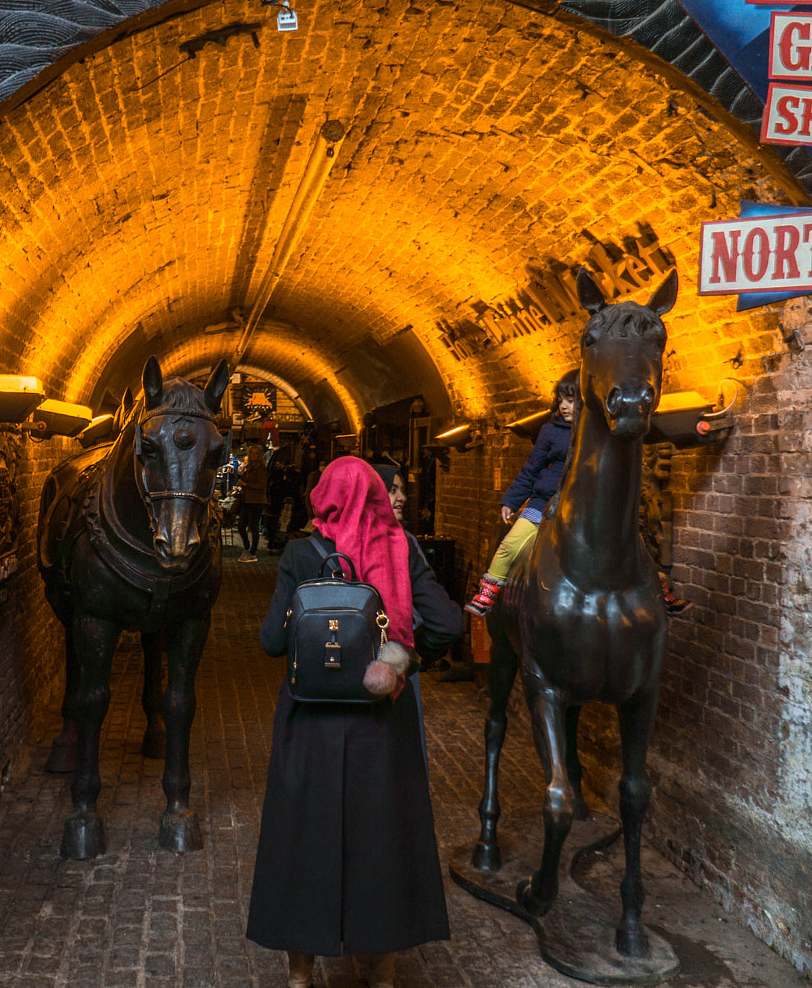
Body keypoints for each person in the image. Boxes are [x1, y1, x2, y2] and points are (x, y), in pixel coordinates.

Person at [247, 457, 463, 988]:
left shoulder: (302, 553)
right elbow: (448, 623)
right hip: (381, 723)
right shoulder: (403, 546)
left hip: (309, 725)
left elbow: (273, 641)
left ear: (325, 498)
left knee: (303, 837)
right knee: (383, 838)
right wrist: (402, 660)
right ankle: (381, 972)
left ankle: (301, 973)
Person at [466, 369, 580, 615]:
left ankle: (655, 589)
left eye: (570, 400)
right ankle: (488, 592)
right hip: (544, 503)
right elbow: (531, 469)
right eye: (561, 400)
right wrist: (512, 501)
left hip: (582, 506)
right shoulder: (550, 430)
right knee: (510, 545)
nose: (564, 406)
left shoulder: (596, 434)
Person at [235, 443, 268, 562]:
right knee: (241, 526)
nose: (253, 456)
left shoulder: (261, 469)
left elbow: (262, 485)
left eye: (256, 453)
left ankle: (253, 552)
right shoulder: (249, 467)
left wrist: (246, 484)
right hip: (247, 500)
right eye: (251, 453)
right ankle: (247, 547)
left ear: (259, 455)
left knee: (253, 526)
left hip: (257, 500)